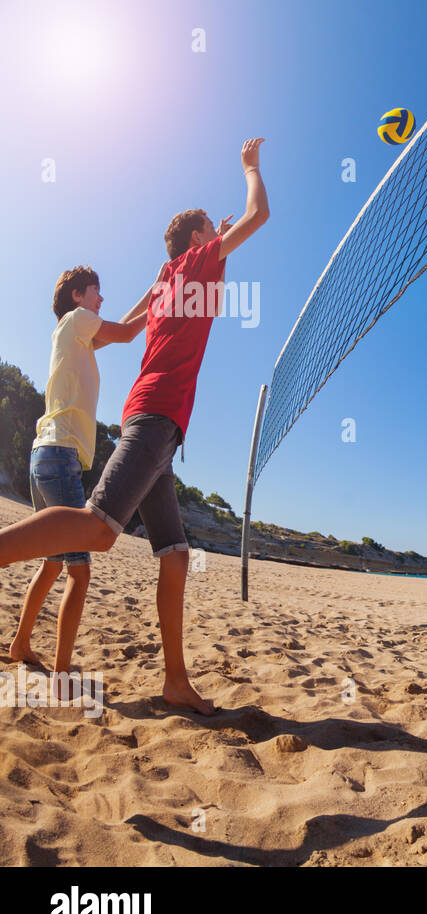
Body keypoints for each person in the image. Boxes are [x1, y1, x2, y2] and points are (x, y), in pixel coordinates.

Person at [0, 137, 270, 715]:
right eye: (207, 232)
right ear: (199, 241)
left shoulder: (175, 277)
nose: (213, 240)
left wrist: (196, 247)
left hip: (158, 427)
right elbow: (258, 216)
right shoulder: (191, 267)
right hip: (153, 417)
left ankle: (175, 680)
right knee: (99, 529)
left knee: (174, 555)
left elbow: (138, 318)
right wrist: (249, 168)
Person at [7, 264, 161, 676]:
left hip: (45, 455)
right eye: (97, 291)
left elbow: (124, 325)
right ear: (77, 295)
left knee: (53, 563)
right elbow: (129, 332)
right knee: (80, 570)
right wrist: (162, 297)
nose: (101, 298)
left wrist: (154, 288)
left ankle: (21, 644)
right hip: (59, 456)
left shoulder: (74, 333)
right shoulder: (77, 321)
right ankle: (61, 673)